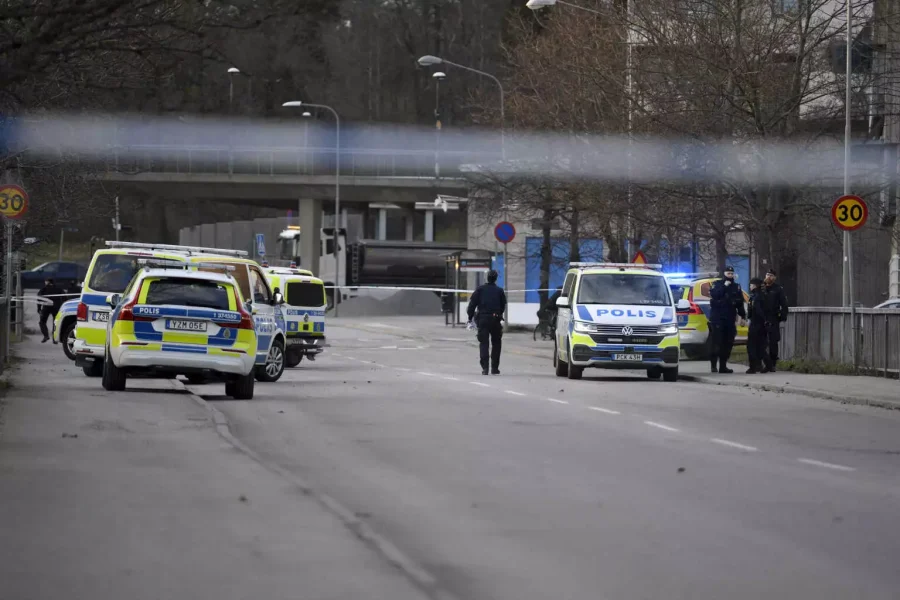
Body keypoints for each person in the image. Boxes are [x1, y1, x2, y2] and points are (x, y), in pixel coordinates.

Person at [466, 269, 507, 375]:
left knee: (484, 343)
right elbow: (503, 306)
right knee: (496, 343)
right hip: (496, 319)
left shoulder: (480, 289)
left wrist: (470, 318)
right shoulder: (499, 291)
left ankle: (485, 368)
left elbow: (471, 306)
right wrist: (499, 314)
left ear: (487, 278)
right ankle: (494, 367)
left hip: (483, 319)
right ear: (496, 279)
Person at [708, 265, 747, 374]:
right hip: (717, 319)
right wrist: (724, 287)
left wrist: (742, 316)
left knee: (728, 343)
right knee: (716, 342)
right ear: (724, 274)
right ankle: (713, 365)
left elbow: (739, 302)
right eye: (728, 273)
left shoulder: (736, 287)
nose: (730, 275)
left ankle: (723, 366)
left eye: (731, 273)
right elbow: (715, 295)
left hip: (729, 319)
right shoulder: (717, 284)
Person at [760, 268, 789, 371]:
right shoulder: (761, 287)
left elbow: (784, 305)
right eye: (768, 275)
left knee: (773, 342)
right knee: (761, 341)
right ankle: (762, 363)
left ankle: (772, 363)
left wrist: (782, 317)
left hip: (773, 318)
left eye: (771, 275)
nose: (769, 277)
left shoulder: (778, 289)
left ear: (775, 278)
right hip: (761, 318)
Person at [745, 277, 771, 374]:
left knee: (751, 346)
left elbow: (758, 310)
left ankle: (753, 367)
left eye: (751, 285)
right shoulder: (763, 295)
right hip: (762, 325)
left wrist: (759, 320)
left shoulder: (756, 297)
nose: (750, 287)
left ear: (755, 286)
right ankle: (768, 364)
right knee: (761, 346)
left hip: (756, 324)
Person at [37, 278, 65, 343]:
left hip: (46, 307)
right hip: (56, 307)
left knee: (42, 322)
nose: (45, 283)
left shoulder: (44, 289)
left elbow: (39, 298)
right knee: (55, 323)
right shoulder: (58, 288)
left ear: (47, 282)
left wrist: (39, 308)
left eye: (45, 281)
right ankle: (55, 338)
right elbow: (64, 297)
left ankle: (46, 336)